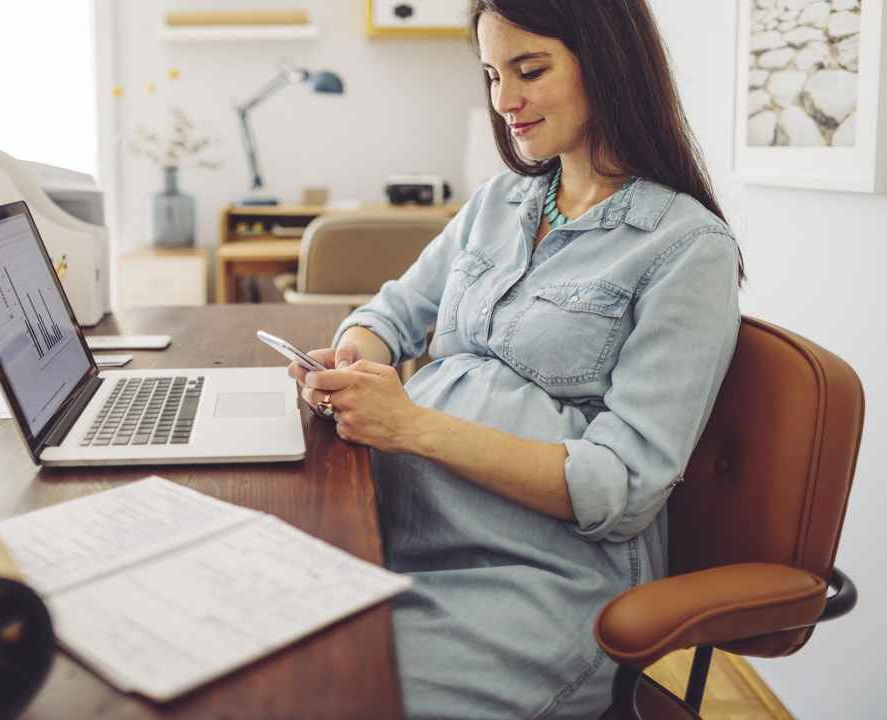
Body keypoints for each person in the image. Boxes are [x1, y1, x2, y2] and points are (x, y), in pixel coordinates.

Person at [287, 1, 744, 718]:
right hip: (393, 531)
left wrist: (409, 426)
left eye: (530, 70)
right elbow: (395, 310)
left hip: (536, 578)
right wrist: (350, 356)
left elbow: (620, 486)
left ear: (610, 65)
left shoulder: (686, 249)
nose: (503, 101)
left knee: (336, 695)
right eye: (493, 74)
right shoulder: (500, 203)